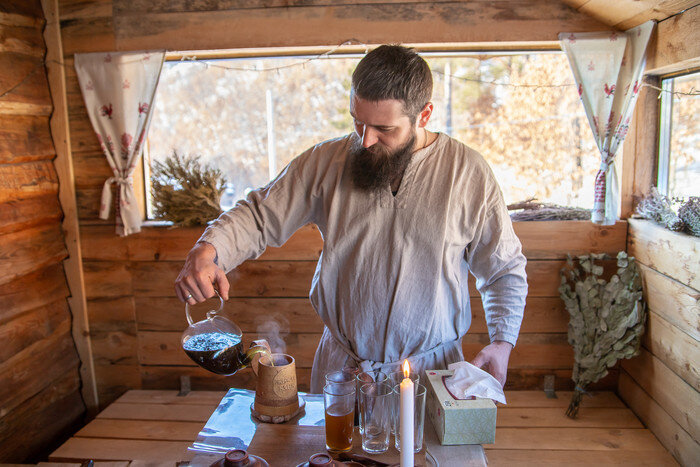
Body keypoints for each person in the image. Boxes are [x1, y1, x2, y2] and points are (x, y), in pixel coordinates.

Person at [175, 45, 528, 393]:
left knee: (424, 454)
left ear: (424, 115)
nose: (366, 139)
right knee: (332, 454)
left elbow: (503, 268)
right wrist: (209, 248)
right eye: (357, 122)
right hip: (343, 371)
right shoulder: (326, 162)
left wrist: (502, 342)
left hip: (431, 376)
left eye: (383, 129)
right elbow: (258, 215)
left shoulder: (467, 174)